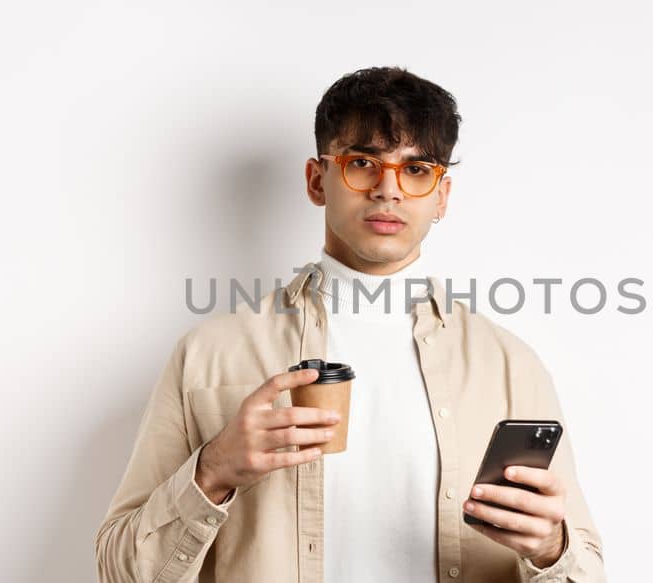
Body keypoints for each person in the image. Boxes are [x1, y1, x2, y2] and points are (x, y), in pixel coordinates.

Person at [95, 66, 605, 582]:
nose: (389, 190)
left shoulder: (509, 366)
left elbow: (585, 571)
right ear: (318, 180)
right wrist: (213, 471)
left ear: (441, 196)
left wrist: (549, 547)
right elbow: (119, 571)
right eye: (362, 163)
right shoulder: (207, 355)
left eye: (416, 170)